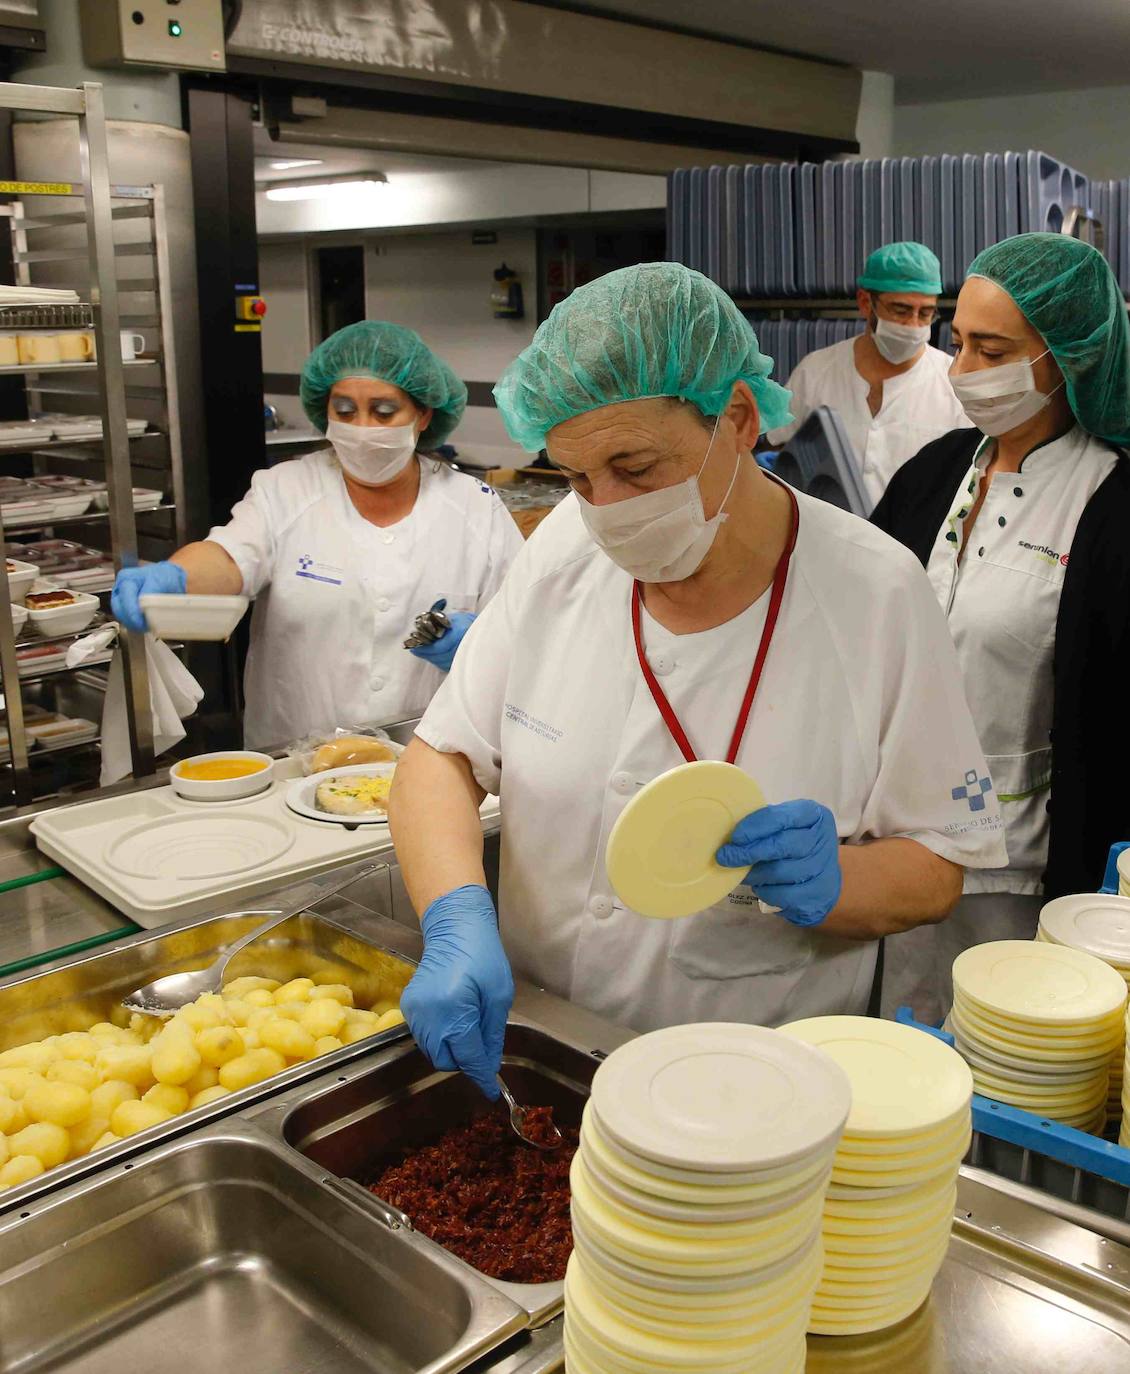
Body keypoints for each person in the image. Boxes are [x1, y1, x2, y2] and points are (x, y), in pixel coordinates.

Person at [386, 262, 1006, 1100]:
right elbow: (442, 759)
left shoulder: (877, 593)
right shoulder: (566, 546)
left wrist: (840, 884)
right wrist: (454, 917)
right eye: (576, 475)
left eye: (636, 468)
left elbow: (939, 866)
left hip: (748, 1090)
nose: (605, 507)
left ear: (740, 419)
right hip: (540, 1055)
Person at [872, 233, 1130, 1023]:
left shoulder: (1113, 503)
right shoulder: (940, 469)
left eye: (992, 349)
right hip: (900, 847)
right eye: (958, 344)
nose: (961, 372)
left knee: (1007, 1058)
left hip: (1029, 873)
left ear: (1067, 356)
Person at [112, 322, 524, 749]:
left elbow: (527, 618)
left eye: (384, 412)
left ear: (422, 415)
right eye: (344, 411)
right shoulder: (285, 490)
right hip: (294, 755)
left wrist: (478, 643)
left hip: (428, 753)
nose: (362, 428)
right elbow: (230, 557)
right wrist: (175, 577)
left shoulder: (475, 507)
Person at [767, 242, 971, 508]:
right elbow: (777, 451)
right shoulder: (816, 371)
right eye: (900, 310)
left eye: (926, 313)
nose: (913, 325)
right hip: (828, 539)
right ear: (865, 303)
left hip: (914, 547)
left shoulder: (953, 384)